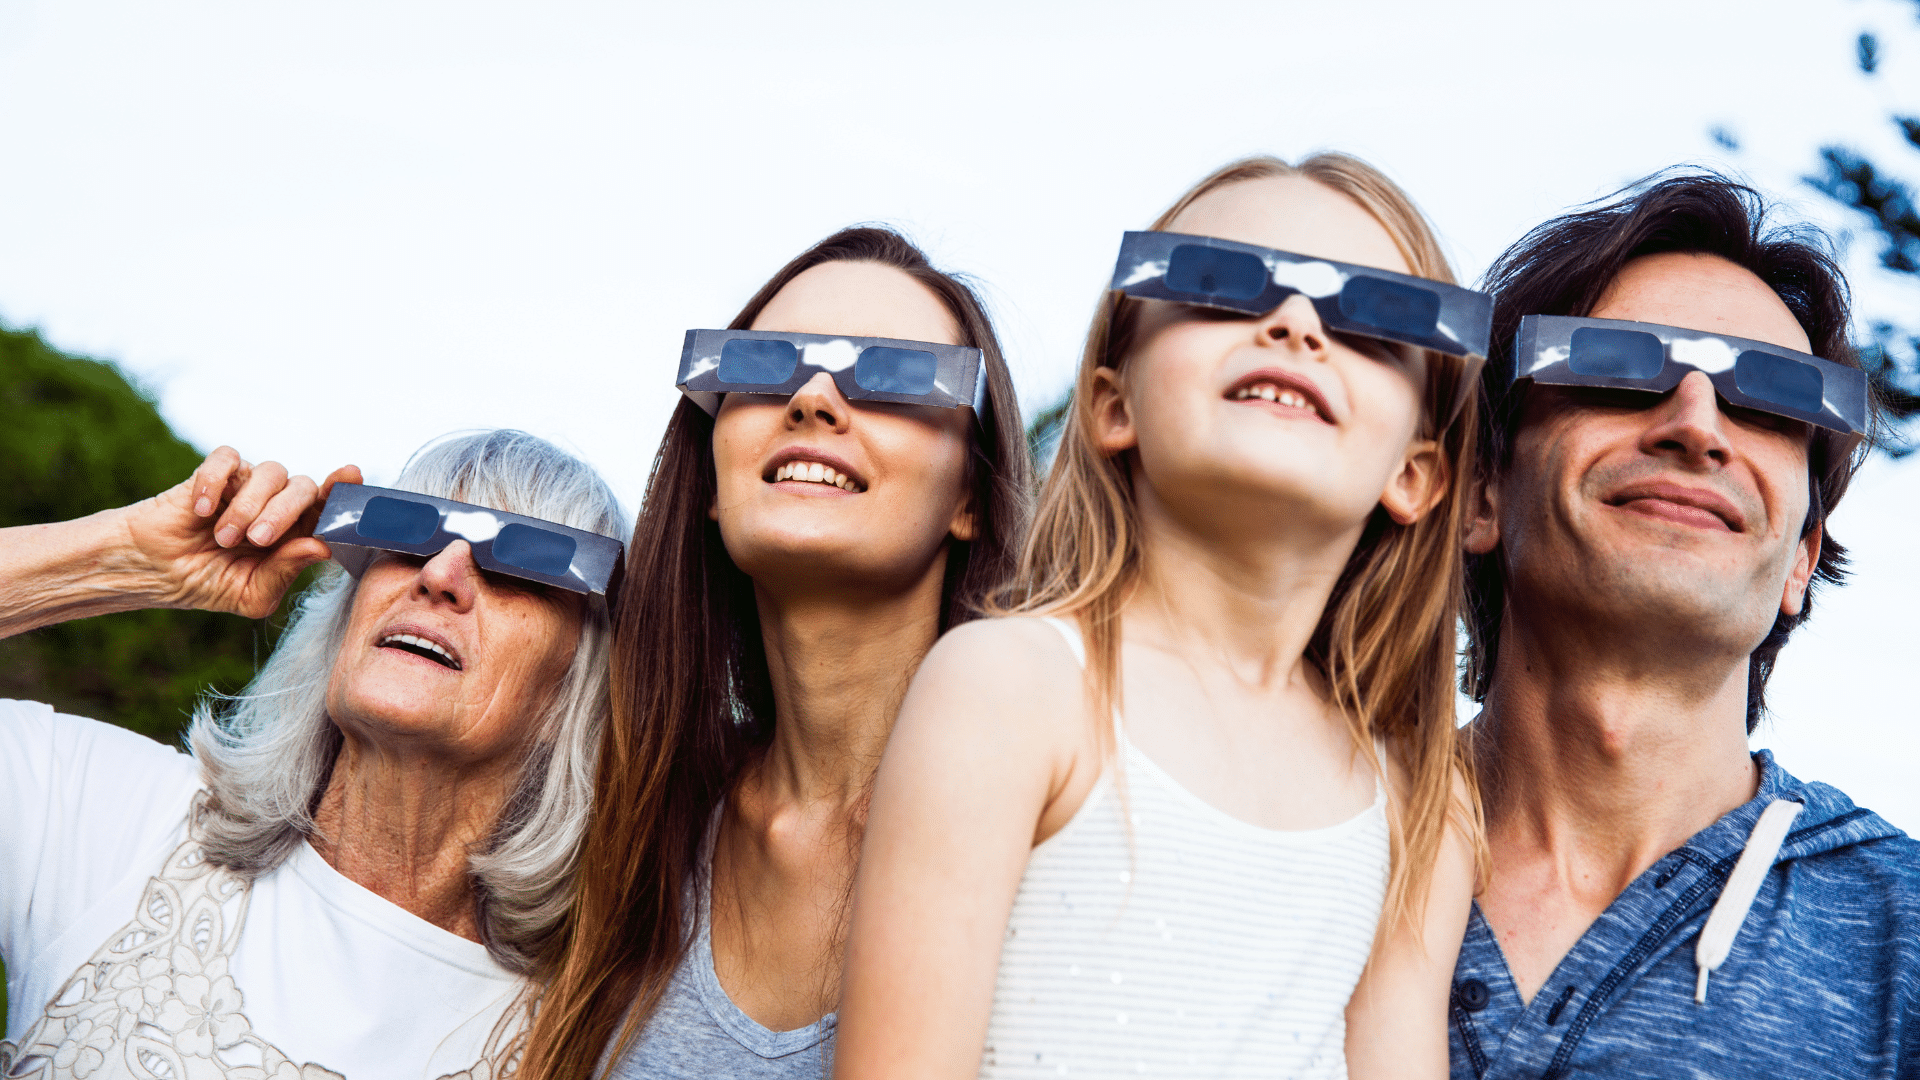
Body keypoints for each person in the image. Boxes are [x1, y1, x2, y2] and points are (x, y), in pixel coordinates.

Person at [833, 154, 1488, 1079]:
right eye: (1217, 283)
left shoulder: (1422, 806)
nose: (1296, 323)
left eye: (1374, 317)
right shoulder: (1010, 688)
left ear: (1415, 473)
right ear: (1113, 403)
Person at [519, 227, 1031, 1080]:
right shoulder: (631, 822)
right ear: (715, 483)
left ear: (970, 498)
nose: (816, 398)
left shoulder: (1049, 832)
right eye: (763, 366)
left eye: (895, 374)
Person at [1449, 171, 1920, 1078]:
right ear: (1482, 492)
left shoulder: (1904, 938)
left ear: (1801, 559)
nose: (1697, 423)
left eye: (1770, 397)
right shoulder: (1294, 849)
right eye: (1621, 367)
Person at [0, 429, 627, 1079]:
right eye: (410, 537)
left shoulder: (609, 1033)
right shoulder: (100, 813)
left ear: (575, 690)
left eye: (518, 563)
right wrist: (118, 560)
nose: (440, 575)